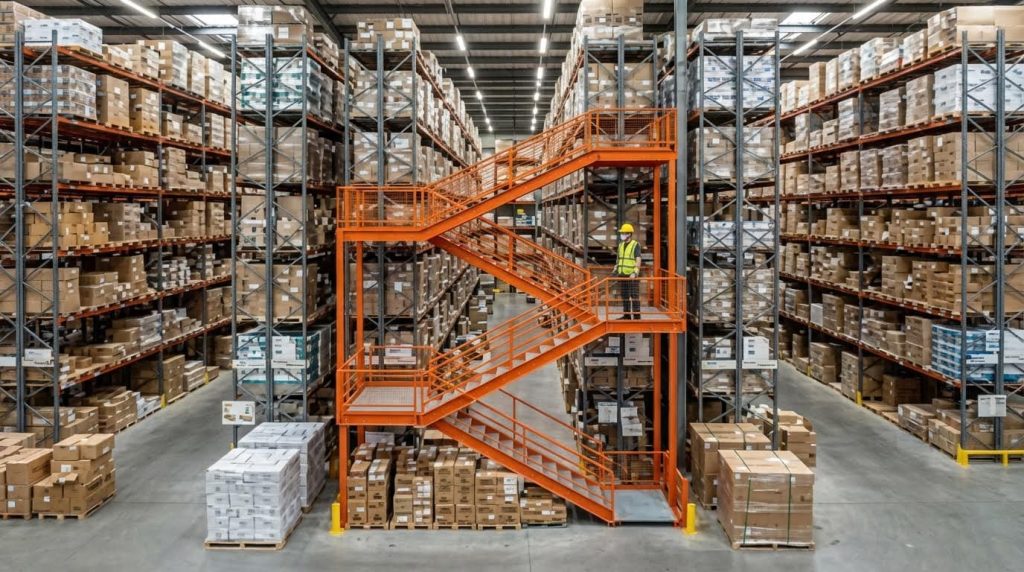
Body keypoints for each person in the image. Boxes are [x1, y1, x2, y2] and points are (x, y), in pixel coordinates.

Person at [614, 223, 641, 320]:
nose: (622, 235)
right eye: (621, 233)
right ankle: (627, 315)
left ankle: (637, 316)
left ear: (629, 234)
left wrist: (635, 272)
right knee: (624, 295)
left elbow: (638, 259)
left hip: (631, 275)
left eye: (623, 233)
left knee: (634, 295)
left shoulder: (635, 245)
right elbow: (619, 259)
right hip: (622, 275)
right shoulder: (621, 245)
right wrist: (615, 269)